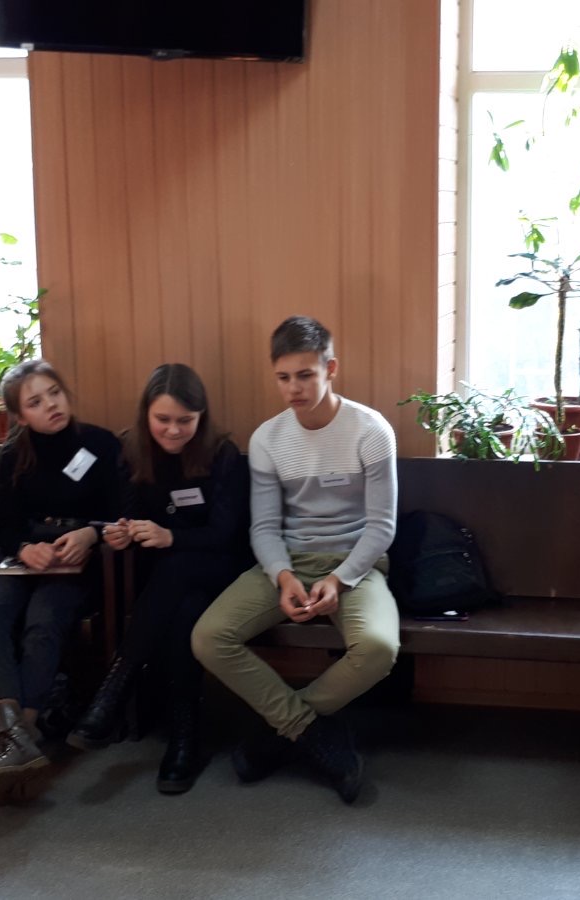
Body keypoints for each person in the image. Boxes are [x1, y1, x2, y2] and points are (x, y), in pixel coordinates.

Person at [190, 316, 399, 804]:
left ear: (331, 369)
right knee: (208, 637)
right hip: (288, 562)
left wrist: (340, 580)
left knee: (378, 648)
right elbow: (264, 528)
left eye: (305, 375)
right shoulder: (268, 438)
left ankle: (278, 731)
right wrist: (283, 577)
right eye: (283, 377)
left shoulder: (370, 430)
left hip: (355, 564)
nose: (293, 388)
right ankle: (311, 731)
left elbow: (381, 527)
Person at [66, 363, 250, 796]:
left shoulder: (222, 453)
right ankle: (185, 735)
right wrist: (121, 534)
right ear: (145, 414)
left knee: (178, 568)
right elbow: (126, 516)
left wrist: (171, 536)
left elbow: (225, 535)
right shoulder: (131, 449)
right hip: (167, 580)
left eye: (185, 420)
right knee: (183, 606)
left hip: (222, 566)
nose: (173, 430)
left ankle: (115, 688)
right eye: (162, 419)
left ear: (201, 416)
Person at [0, 359, 124, 801]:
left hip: (78, 556)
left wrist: (91, 533)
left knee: (44, 619)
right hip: (25, 554)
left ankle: (14, 738)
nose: (51, 405)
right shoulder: (12, 454)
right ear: (20, 415)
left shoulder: (99, 444)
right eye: (35, 402)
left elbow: (120, 511)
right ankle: (16, 744)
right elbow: (3, 525)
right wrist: (25, 547)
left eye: (54, 393)